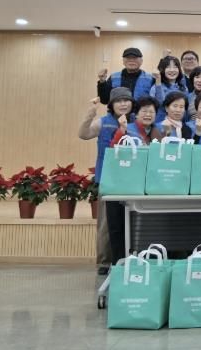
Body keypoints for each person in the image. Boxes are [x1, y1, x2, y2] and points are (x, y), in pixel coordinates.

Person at [78, 87, 134, 269]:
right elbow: (83, 134)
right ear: (111, 104)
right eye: (118, 101)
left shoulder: (136, 122)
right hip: (107, 179)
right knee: (106, 224)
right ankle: (104, 261)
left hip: (132, 180)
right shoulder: (103, 122)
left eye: (126, 100)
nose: (123, 104)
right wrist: (90, 114)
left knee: (131, 222)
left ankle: (129, 259)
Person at [150, 56, 188, 122]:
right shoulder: (155, 87)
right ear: (163, 70)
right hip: (160, 123)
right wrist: (158, 82)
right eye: (168, 67)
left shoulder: (183, 88)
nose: (172, 70)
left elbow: (185, 108)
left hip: (179, 124)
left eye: (175, 67)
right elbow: (160, 103)